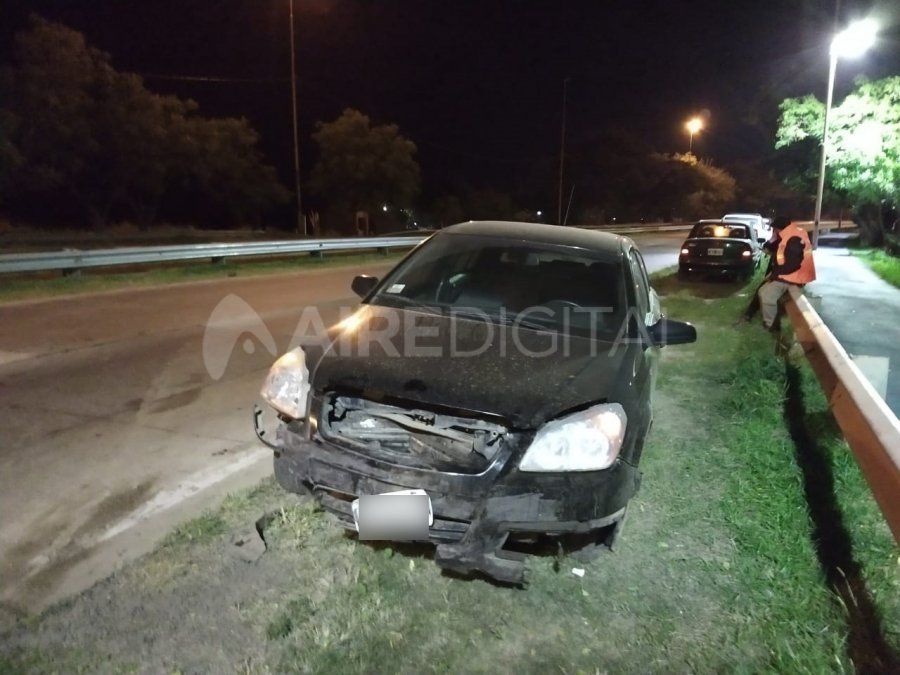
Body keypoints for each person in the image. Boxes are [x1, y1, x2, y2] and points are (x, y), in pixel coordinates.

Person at [757, 216, 816, 330]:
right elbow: (767, 249)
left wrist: (774, 276)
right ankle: (771, 321)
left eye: (775, 229)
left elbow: (792, 265)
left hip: (794, 276)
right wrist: (773, 238)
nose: (774, 231)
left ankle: (771, 325)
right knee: (762, 291)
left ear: (779, 228)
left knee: (766, 295)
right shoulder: (788, 235)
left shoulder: (793, 239)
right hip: (789, 275)